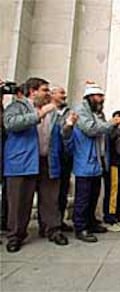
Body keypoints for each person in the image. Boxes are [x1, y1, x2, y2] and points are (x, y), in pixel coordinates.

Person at [3, 77, 73, 252]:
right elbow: (10, 124)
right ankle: (15, 235)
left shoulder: (53, 112)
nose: (48, 94)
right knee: (19, 200)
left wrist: (68, 127)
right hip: (22, 160)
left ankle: (52, 229)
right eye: (44, 90)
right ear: (33, 91)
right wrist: (39, 114)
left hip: (47, 160)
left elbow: (59, 135)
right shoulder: (17, 106)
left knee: (50, 198)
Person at [69, 81, 120, 243]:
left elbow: (102, 129)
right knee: (83, 197)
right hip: (85, 160)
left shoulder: (97, 113)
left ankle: (91, 223)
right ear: (90, 97)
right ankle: (80, 227)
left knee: (93, 196)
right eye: (99, 96)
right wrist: (111, 123)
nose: (102, 99)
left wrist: (108, 125)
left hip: (97, 162)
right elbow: (91, 129)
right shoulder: (81, 111)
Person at [50, 86, 74, 232]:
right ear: (53, 95)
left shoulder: (68, 112)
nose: (64, 96)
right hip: (51, 155)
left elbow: (67, 133)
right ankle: (49, 222)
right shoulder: (47, 110)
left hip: (65, 155)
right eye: (61, 93)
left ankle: (59, 220)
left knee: (63, 190)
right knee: (50, 191)